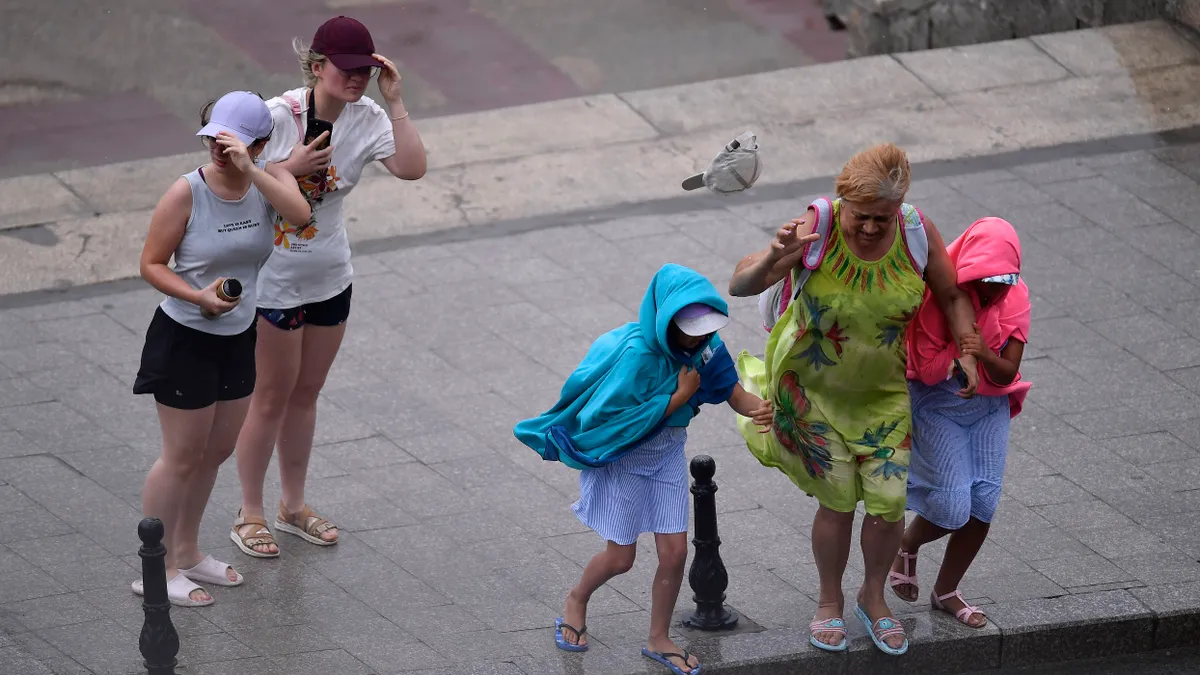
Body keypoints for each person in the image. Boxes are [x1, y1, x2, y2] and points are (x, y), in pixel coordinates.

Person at [727, 143, 980, 656]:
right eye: (861, 217)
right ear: (844, 203)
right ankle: (828, 602)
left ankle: (873, 597)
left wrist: (968, 351)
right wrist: (777, 255)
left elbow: (952, 295)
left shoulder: (915, 233)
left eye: (881, 219)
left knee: (888, 507)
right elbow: (739, 283)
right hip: (812, 393)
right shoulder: (816, 226)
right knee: (837, 502)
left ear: (898, 209)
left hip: (883, 395)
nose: (869, 228)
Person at [514, 264, 774, 675]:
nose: (699, 336)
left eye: (705, 326)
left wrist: (758, 408)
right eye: (689, 327)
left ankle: (658, 638)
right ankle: (576, 599)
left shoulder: (707, 348)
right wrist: (676, 398)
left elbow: (732, 392)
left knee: (675, 554)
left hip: (667, 457)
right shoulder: (636, 354)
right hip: (625, 463)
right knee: (621, 558)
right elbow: (614, 425)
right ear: (664, 319)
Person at [230, 15, 427, 558]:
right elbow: (232, 178)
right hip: (273, 280)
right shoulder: (275, 116)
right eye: (346, 69)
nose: (357, 78)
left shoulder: (367, 118)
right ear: (317, 67)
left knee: (306, 394)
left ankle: (293, 507)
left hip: (330, 277)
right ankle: (249, 513)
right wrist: (287, 167)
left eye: (365, 69)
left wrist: (396, 101)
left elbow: (413, 168)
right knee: (269, 397)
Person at [131, 91, 311, 606]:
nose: (217, 149)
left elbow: (298, 216)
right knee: (181, 455)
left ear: (256, 144)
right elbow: (151, 263)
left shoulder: (270, 179)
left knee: (216, 451)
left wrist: (251, 171)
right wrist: (198, 297)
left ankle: (186, 552)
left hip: (238, 337)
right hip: (184, 337)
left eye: (229, 141)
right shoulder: (185, 192)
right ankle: (155, 569)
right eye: (212, 138)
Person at [888, 217, 1031, 628]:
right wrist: (956, 356)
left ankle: (946, 590)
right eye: (988, 279)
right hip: (936, 404)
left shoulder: (1015, 297)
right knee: (952, 505)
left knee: (984, 502)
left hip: (989, 408)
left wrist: (983, 353)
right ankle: (907, 542)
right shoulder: (933, 302)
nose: (997, 289)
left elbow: (1007, 373)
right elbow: (926, 371)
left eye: (1006, 279)